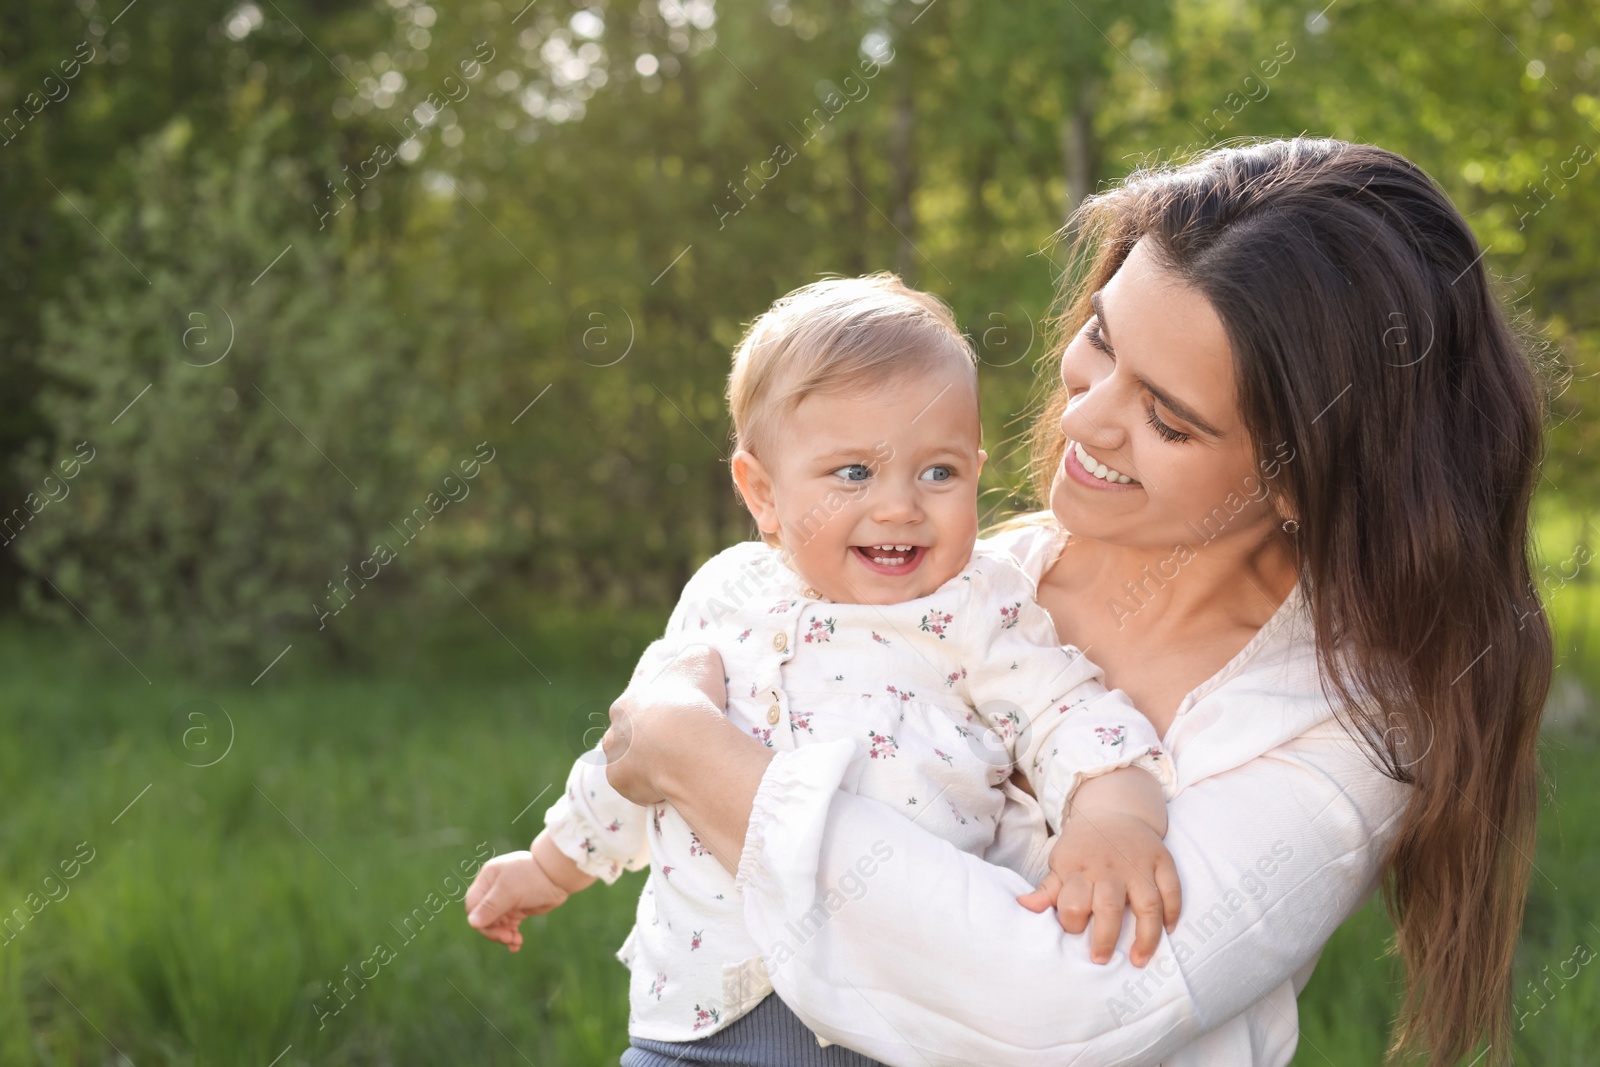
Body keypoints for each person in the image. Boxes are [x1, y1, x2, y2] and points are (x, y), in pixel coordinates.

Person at [596, 138, 1554, 1066]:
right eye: (1101, 337)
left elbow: (1062, 1012)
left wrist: (694, 758)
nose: (1088, 418)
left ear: (1304, 482)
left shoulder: (1348, 729)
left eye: (1167, 418)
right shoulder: (956, 582)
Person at [466, 274, 1182, 1063]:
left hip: (894, 1011)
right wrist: (550, 864)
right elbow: (642, 753)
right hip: (701, 1010)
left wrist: (1116, 816)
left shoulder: (979, 610)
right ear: (763, 492)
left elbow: (1068, 715)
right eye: (853, 474)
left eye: (938, 472)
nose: (901, 506)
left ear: (977, 469)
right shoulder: (722, 596)